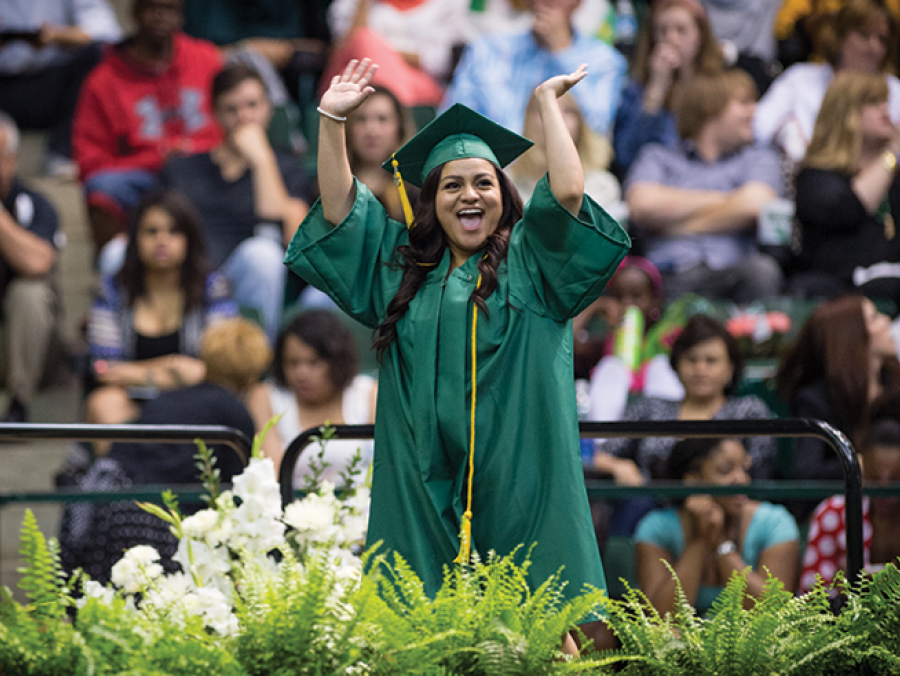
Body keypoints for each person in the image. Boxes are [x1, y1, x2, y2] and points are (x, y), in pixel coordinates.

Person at [286, 58, 630, 651]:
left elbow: (569, 190)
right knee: (425, 633)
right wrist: (330, 123)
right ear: (431, 201)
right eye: (451, 184)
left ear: (504, 193)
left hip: (516, 472)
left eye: (483, 182)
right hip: (422, 477)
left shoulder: (531, 264)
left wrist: (547, 102)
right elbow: (343, 210)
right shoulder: (403, 273)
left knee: (537, 633)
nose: (469, 194)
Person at [60, 317, 271, 584]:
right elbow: (233, 496)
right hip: (157, 522)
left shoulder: (168, 397)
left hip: (106, 502)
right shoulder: (236, 416)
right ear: (252, 374)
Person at [157, 62, 311, 342]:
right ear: (214, 113)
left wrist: (262, 160)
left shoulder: (288, 168)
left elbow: (294, 239)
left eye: (252, 105)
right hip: (188, 272)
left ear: (268, 108)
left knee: (262, 254)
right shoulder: (182, 169)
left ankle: (256, 364)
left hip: (245, 276)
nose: (244, 117)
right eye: (231, 108)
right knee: (116, 253)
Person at [594, 314, 776, 534]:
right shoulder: (651, 408)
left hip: (728, 516)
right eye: (691, 360)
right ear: (676, 366)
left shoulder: (747, 411)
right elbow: (598, 455)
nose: (700, 369)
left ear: (730, 369)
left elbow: (760, 471)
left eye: (711, 361)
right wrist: (618, 466)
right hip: (650, 515)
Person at [84, 189, 237, 446]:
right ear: (135, 239)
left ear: (190, 238)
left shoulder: (213, 289)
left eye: (174, 231)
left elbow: (216, 367)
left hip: (197, 400)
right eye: (152, 231)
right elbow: (104, 368)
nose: (162, 240)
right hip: (131, 401)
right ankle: (118, 480)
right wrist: (175, 368)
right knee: (103, 405)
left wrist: (135, 372)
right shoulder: (111, 291)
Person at [72, 0, 223, 256]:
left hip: (206, 169)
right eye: (153, 8)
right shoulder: (103, 80)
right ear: (135, 13)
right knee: (102, 188)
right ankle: (118, 268)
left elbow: (229, 122)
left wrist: (192, 150)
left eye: (170, 9)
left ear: (182, 16)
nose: (162, 16)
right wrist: (158, 158)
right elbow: (89, 160)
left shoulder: (207, 59)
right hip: (146, 178)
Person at [626, 68, 784, 304]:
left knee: (763, 271)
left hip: (733, 272)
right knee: (636, 283)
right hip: (669, 274)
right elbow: (641, 205)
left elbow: (755, 204)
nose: (754, 111)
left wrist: (674, 224)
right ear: (711, 109)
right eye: (743, 103)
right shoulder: (657, 157)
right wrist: (731, 200)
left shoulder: (759, 158)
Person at [634, 437, 799, 616]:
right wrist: (700, 540)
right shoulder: (656, 528)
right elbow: (660, 618)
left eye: (744, 468)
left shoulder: (776, 523)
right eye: (725, 470)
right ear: (693, 480)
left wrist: (721, 544)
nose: (742, 479)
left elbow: (771, 613)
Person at [776, 295, 900, 521]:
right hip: (846, 516)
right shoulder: (816, 400)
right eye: (874, 317)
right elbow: (805, 475)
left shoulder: (895, 385)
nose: (886, 321)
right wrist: (859, 464)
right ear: (852, 338)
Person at [441, 0, 627, 137]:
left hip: (568, 175)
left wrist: (562, 51)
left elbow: (596, 133)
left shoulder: (605, 61)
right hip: (495, 173)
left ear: (579, 3)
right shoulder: (487, 50)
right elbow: (451, 122)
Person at [790, 72, 900, 303]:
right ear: (846, 112)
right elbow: (847, 208)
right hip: (840, 295)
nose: (885, 109)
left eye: (885, 101)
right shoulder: (815, 178)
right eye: (872, 102)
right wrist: (891, 156)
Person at [754, 0, 900, 164]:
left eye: (882, 40)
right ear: (840, 36)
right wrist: (783, 133)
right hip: (802, 176)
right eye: (864, 35)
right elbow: (758, 128)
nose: (874, 47)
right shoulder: (800, 78)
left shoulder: (894, 89)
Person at [248, 310, 377, 486]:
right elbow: (273, 475)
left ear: (337, 361)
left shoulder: (369, 393)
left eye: (313, 362)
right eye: (292, 363)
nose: (301, 374)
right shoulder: (265, 396)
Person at [0, 0, 122, 176]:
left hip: (49, 85)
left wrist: (58, 36)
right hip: (3, 88)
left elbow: (107, 32)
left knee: (98, 53)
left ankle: (62, 152)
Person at [0, 113, 64, 423]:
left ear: (11, 160)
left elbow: (37, 262)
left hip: (32, 348)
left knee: (30, 292)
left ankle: (18, 406)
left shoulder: (35, 204)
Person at [612, 0, 724, 173]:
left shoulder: (721, 85)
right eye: (662, 30)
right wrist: (656, 90)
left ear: (700, 34)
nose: (671, 39)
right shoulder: (636, 89)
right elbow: (626, 156)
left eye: (681, 30)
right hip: (653, 178)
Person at [799, 404, 900, 594]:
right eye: (874, 478)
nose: (884, 490)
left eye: (895, 480)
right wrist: (849, 587)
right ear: (861, 469)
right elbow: (811, 596)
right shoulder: (833, 513)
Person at [579, 256, 683, 420]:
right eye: (618, 297)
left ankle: (665, 438)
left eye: (636, 296)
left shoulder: (668, 337)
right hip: (613, 437)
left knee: (661, 366)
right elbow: (567, 347)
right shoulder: (606, 342)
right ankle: (602, 441)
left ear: (655, 302)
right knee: (610, 367)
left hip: (655, 434)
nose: (626, 304)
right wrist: (595, 306)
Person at [320, 0, 473, 107]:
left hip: (420, 84)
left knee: (370, 52)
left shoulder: (450, 4)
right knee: (364, 41)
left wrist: (381, 52)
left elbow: (436, 61)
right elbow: (348, 48)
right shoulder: (349, 4)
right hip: (357, 79)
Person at [510, 90, 622, 215]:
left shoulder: (602, 185)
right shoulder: (507, 181)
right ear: (527, 118)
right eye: (543, 109)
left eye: (567, 111)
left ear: (580, 122)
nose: (556, 118)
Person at [345, 85, 417, 223]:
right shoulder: (332, 188)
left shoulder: (417, 192)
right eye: (361, 119)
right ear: (348, 128)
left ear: (399, 128)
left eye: (382, 119)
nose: (372, 131)